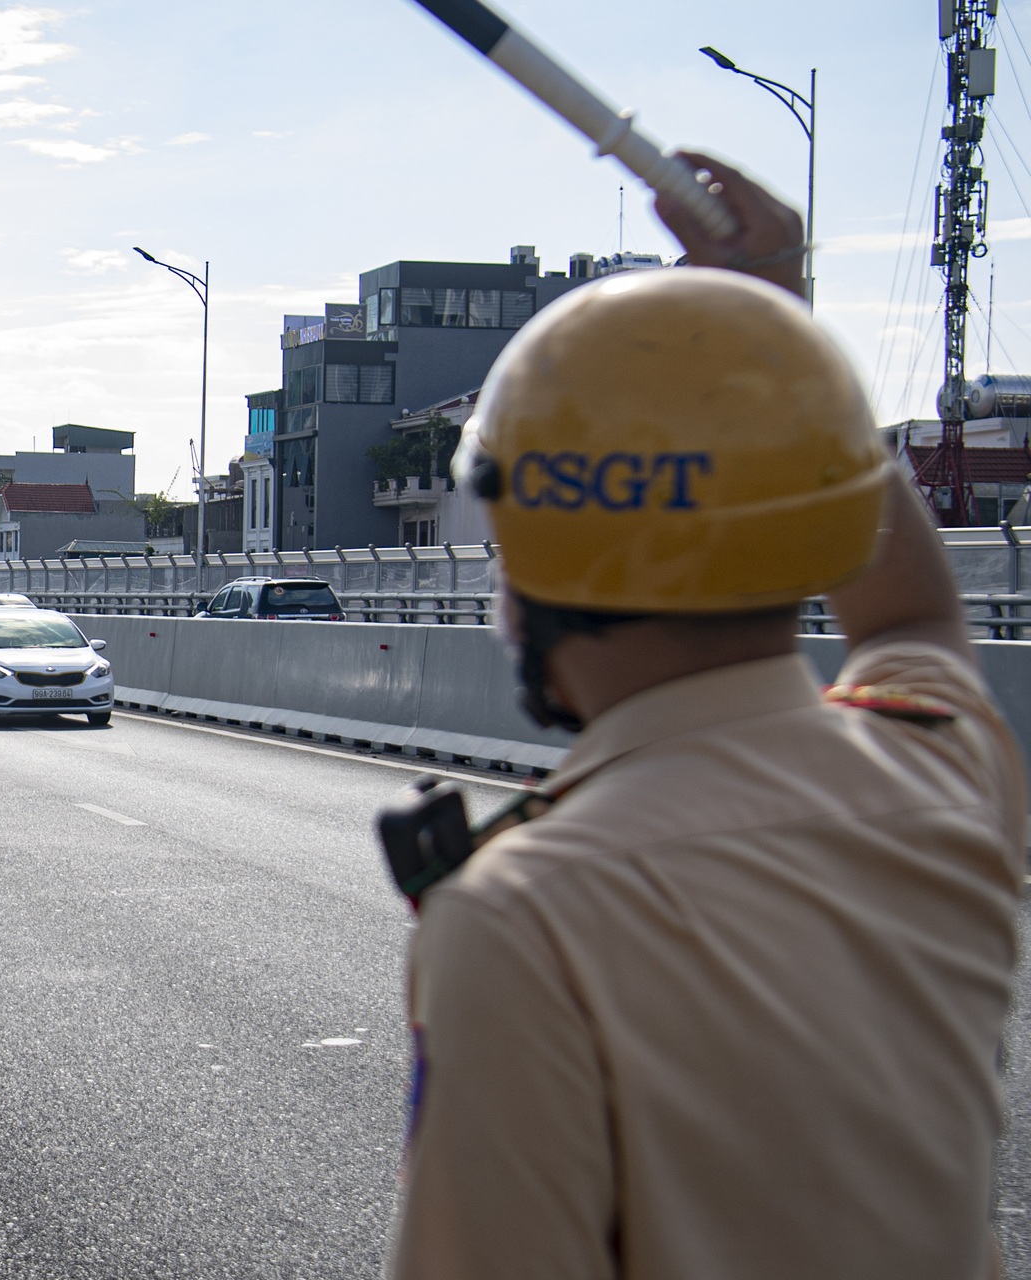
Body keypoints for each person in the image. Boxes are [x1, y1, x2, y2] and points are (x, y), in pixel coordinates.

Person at [388, 156, 1023, 1280]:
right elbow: (916, 617)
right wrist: (773, 341)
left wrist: (767, 334)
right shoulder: (937, 762)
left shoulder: (526, 917)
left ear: (541, 547)